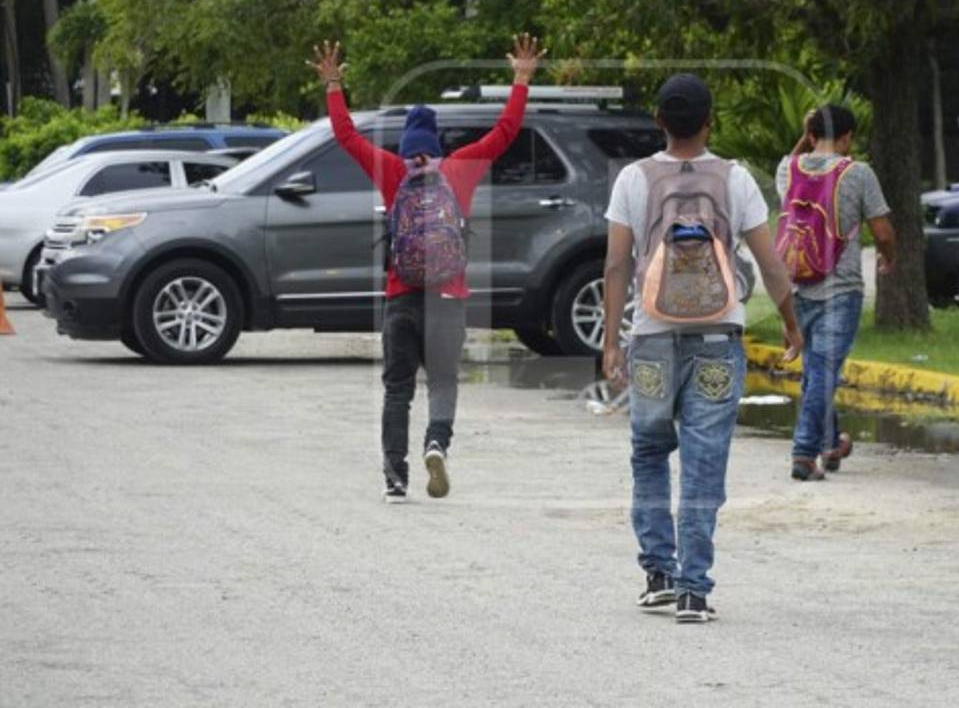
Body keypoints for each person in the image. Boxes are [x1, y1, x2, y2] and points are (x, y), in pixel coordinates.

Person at [309, 34, 545, 502]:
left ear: (406, 143)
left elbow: (346, 136)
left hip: (401, 296)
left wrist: (334, 84)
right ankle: (437, 442)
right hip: (448, 298)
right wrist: (521, 79)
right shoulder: (460, 168)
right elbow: (505, 131)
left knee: (397, 389)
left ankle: (395, 480)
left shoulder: (391, 170)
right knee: (442, 379)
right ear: (436, 143)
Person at [602, 73, 802, 624]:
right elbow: (770, 262)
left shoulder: (633, 180)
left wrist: (611, 343)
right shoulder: (735, 178)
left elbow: (616, 264)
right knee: (703, 458)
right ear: (711, 121)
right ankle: (694, 589)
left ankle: (658, 575)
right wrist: (791, 324)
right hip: (719, 338)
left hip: (651, 339)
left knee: (649, 452)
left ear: (660, 121)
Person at [775, 105, 895, 481]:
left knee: (816, 372)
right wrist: (889, 259)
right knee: (822, 373)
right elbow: (883, 231)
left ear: (810, 134)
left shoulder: (788, 169)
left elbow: (796, 158)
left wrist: (807, 131)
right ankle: (803, 454)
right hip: (840, 290)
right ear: (848, 138)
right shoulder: (858, 174)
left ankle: (831, 442)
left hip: (797, 286)